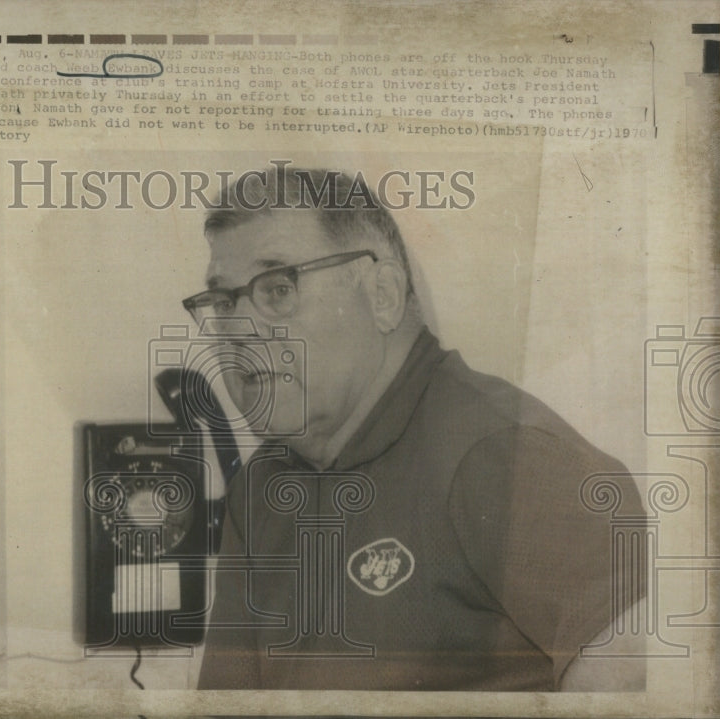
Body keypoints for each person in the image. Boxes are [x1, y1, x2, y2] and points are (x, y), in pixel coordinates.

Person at [184, 166, 646, 691]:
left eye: (279, 288)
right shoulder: (262, 485)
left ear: (382, 295)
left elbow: (643, 691)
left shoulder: (510, 456)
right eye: (223, 303)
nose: (239, 330)